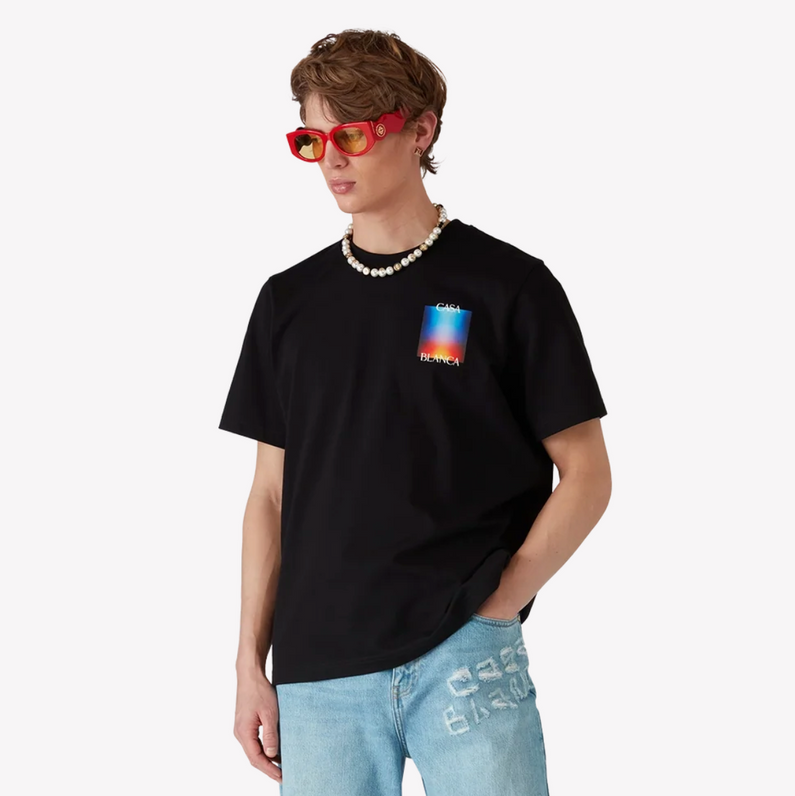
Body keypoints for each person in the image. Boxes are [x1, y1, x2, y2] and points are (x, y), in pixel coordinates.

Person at [218, 28, 611, 796]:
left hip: (463, 658)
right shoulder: (288, 304)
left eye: (352, 135)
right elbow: (269, 496)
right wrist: (247, 665)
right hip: (319, 674)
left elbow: (588, 473)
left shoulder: (509, 287)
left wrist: (497, 606)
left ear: (420, 129)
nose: (331, 160)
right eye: (311, 140)